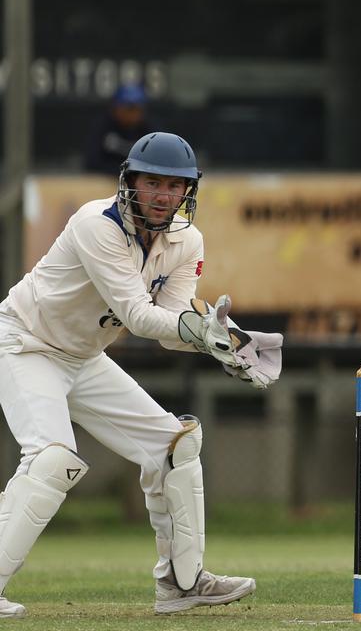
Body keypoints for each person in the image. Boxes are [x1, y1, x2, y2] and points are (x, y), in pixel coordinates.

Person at [0, 132, 284, 617]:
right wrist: (200, 331)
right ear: (129, 180)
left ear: (188, 192)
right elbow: (136, 315)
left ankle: (182, 583)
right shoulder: (97, 224)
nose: (162, 195)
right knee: (53, 459)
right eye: (152, 182)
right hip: (26, 343)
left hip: (83, 357)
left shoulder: (186, 240)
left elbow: (171, 326)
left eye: (174, 186)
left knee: (175, 445)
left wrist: (223, 343)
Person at [83, 82, 154, 175]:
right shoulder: (103, 126)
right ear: (116, 108)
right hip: (106, 180)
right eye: (128, 108)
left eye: (136, 109)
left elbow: (159, 162)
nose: (132, 114)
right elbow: (91, 162)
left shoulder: (150, 130)